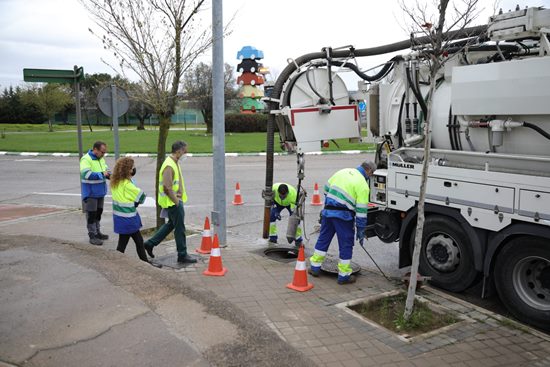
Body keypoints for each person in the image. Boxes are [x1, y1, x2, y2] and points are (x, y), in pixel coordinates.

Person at [309, 160, 377, 285]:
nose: (370, 177)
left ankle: (314, 267)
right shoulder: (362, 185)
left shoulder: (343, 171)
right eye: (371, 174)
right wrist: (361, 230)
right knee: (346, 244)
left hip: (328, 213)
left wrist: (331, 202)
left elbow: (326, 188)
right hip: (344, 217)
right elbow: (361, 211)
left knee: (323, 239)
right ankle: (343, 276)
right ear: (369, 171)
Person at [144, 141, 197, 264]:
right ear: (178, 151)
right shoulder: (169, 165)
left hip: (173, 201)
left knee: (171, 224)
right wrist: (177, 202)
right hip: (173, 202)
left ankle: (150, 244)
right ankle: (182, 254)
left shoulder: (174, 162)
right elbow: (167, 188)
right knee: (180, 228)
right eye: (185, 151)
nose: (186, 154)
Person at [110, 157, 161, 268]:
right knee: (132, 243)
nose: (134, 169)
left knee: (130, 242)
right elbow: (142, 196)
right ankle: (143, 264)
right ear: (128, 170)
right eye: (132, 167)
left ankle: (143, 263)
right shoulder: (128, 185)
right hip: (129, 219)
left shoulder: (116, 182)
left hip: (120, 218)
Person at [80, 141, 110, 246]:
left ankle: (98, 232)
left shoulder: (101, 159)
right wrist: (102, 174)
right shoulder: (86, 159)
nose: (103, 154)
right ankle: (92, 235)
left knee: (98, 213)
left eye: (105, 152)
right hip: (91, 193)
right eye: (102, 152)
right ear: (95, 149)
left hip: (100, 192)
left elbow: (106, 171)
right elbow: (86, 174)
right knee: (91, 215)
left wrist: (109, 175)